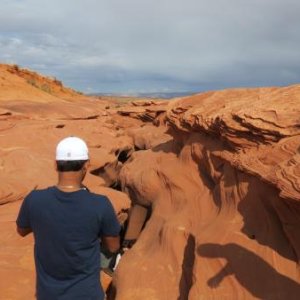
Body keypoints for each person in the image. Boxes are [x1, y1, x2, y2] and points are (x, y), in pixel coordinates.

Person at [16, 136, 121, 300]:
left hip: (48, 295)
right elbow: (113, 247)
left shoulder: (34, 199)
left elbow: (22, 230)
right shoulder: (100, 204)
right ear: (86, 165)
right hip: (87, 294)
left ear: (55, 165)